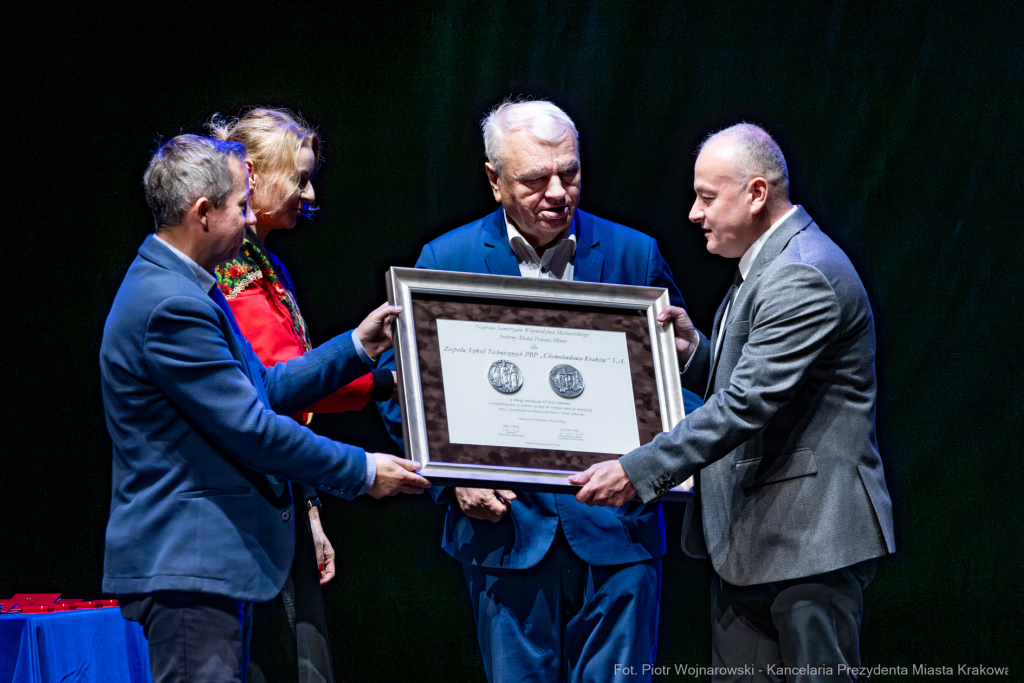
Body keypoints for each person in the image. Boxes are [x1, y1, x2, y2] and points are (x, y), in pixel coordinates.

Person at [377, 99, 700, 683]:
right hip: (506, 534)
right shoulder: (446, 259)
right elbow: (397, 387)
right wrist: (451, 477)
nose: (557, 192)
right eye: (534, 179)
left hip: (618, 534)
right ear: (494, 180)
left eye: (569, 173)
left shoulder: (634, 253)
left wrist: (662, 458)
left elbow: (682, 383)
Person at [100, 133, 430, 682]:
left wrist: (356, 346)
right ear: (202, 212)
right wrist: (363, 470)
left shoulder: (190, 287)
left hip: (211, 565)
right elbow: (253, 428)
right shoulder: (171, 305)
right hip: (190, 566)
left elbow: (265, 387)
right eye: (241, 206)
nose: (251, 218)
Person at [574, 124, 895, 680]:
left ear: (755, 194)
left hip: (808, 543)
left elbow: (745, 403)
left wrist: (637, 470)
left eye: (706, 197)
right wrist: (694, 352)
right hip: (755, 543)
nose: (694, 214)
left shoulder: (800, 272)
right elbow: (756, 382)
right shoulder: (768, 263)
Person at [210, 108, 393, 683]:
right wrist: (376, 370)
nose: (310, 195)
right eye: (299, 179)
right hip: (247, 512)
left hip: (281, 492)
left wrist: (309, 509)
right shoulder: (233, 271)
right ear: (252, 175)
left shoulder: (265, 263)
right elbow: (279, 386)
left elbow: (295, 398)